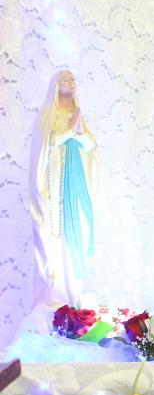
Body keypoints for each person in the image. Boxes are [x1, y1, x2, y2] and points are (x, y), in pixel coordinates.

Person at [30, 70, 98, 307]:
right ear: (56, 85)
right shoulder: (49, 114)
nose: (71, 82)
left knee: (80, 225)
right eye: (66, 79)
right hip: (57, 185)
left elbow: (90, 145)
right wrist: (70, 132)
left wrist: (78, 132)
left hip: (76, 179)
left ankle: (75, 291)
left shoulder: (78, 114)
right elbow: (46, 144)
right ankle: (58, 294)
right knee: (57, 235)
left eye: (73, 79)